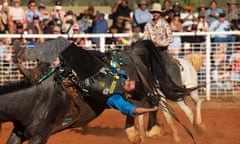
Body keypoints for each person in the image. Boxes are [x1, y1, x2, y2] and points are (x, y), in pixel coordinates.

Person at [143, 2, 181, 86]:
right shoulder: (147, 25)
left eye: (157, 12)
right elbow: (145, 38)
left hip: (162, 51)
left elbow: (171, 38)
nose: (155, 14)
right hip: (151, 51)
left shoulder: (165, 24)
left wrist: (160, 43)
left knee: (172, 66)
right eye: (153, 12)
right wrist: (150, 44)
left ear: (160, 14)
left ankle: (176, 84)